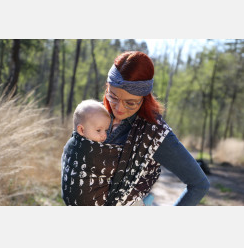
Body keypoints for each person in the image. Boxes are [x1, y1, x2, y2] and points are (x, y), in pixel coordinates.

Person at [102, 51, 210, 206]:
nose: (119, 108)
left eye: (130, 102)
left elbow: (199, 184)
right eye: (113, 96)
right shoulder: (94, 114)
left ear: (144, 98)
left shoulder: (154, 133)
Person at [61, 99, 123, 206]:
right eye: (99, 130)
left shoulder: (71, 142)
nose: (104, 135)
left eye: (106, 130)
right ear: (81, 130)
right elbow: (120, 161)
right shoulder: (93, 151)